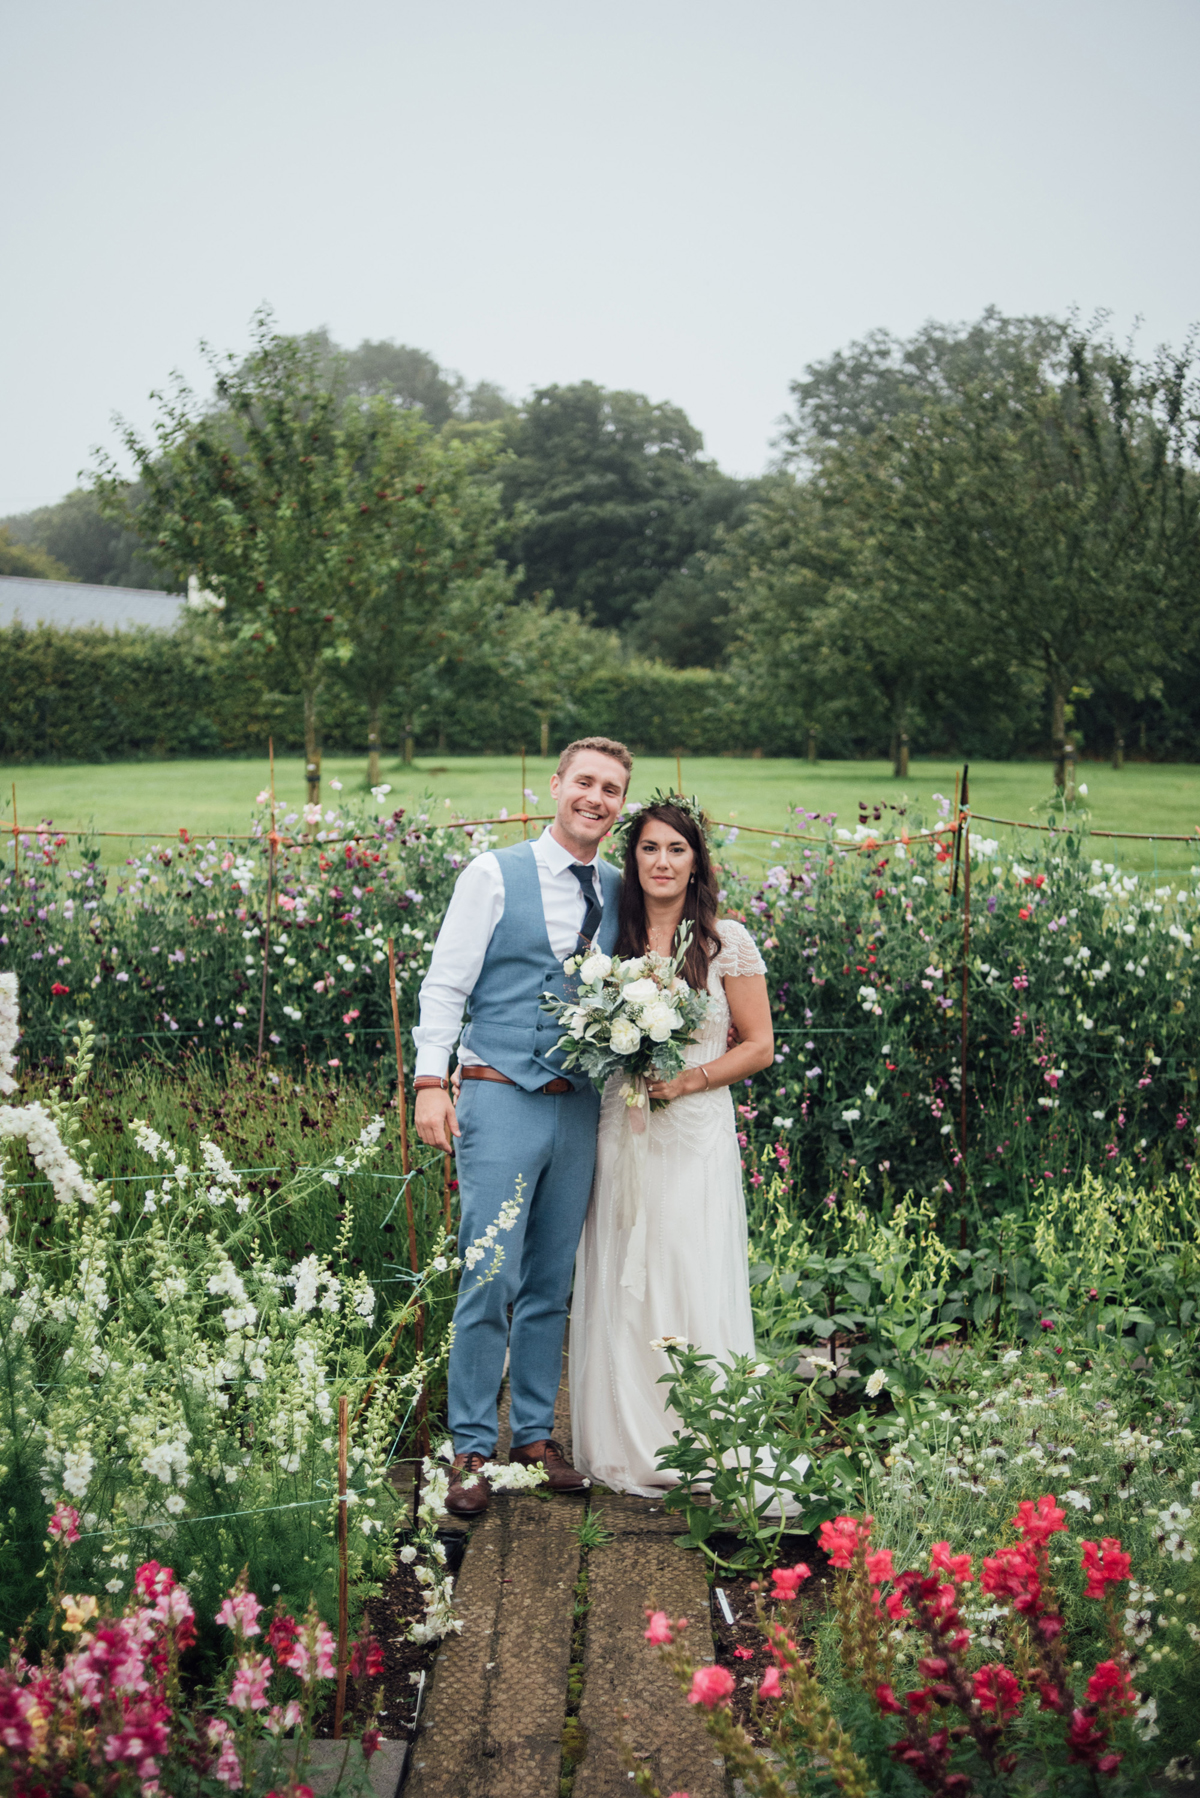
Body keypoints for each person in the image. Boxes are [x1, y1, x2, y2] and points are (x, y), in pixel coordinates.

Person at [412, 736, 633, 1516]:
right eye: (585, 782)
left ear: (619, 804)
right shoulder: (492, 874)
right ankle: (470, 1445)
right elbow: (445, 986)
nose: (596, 799)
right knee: (489, 1272)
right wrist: (430, 1082)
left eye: (611, 789)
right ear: (557, 785)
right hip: (498, 1091)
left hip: (579, 1106)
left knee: (550, 1279)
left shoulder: (617, 887)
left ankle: (534, 1437)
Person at [569, 796, 775, 1496]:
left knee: (688, 1267)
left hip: (692, 1131)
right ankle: (625, 1440)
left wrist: (689, 1080)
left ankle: (703, 1437)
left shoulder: (726, 943)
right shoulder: (608, 949)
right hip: (621, 1130)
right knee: (624, 1268)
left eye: (676, 850)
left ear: (696, 864)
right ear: (633, 860)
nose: (661, 862)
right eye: (649, 849)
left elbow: (760, 1046)